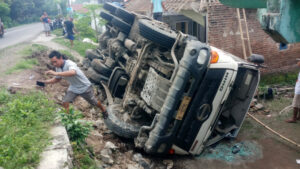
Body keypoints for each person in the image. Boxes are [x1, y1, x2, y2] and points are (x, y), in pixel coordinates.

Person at [40, 50, 108, 118]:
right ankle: (68, 119)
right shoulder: (58, 68)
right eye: (52, 63)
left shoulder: (70, 63)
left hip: (84, 86)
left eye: (55, 61)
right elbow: (57, 79)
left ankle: (103, 110)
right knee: (65, 102)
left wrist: (55, 73)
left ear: (60, 58)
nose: (54, 64)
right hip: (74, 87)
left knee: (94, 102)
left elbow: (73, 72)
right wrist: (45, 82)